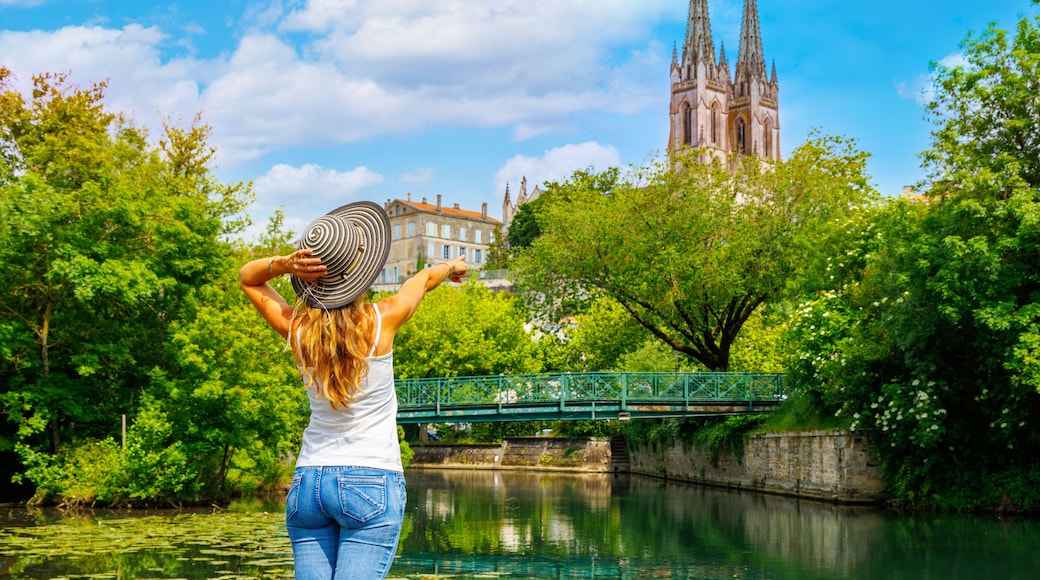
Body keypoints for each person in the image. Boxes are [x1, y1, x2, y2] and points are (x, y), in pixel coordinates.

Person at [239, 201, 466, 579]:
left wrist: (283, 264)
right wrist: (450, 267)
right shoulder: (384, 319)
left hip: (309, 482)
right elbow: (423, 279)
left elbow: (249, 278)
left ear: (310, 277)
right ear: (360, 274)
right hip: (370, 477)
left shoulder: (298, 331)